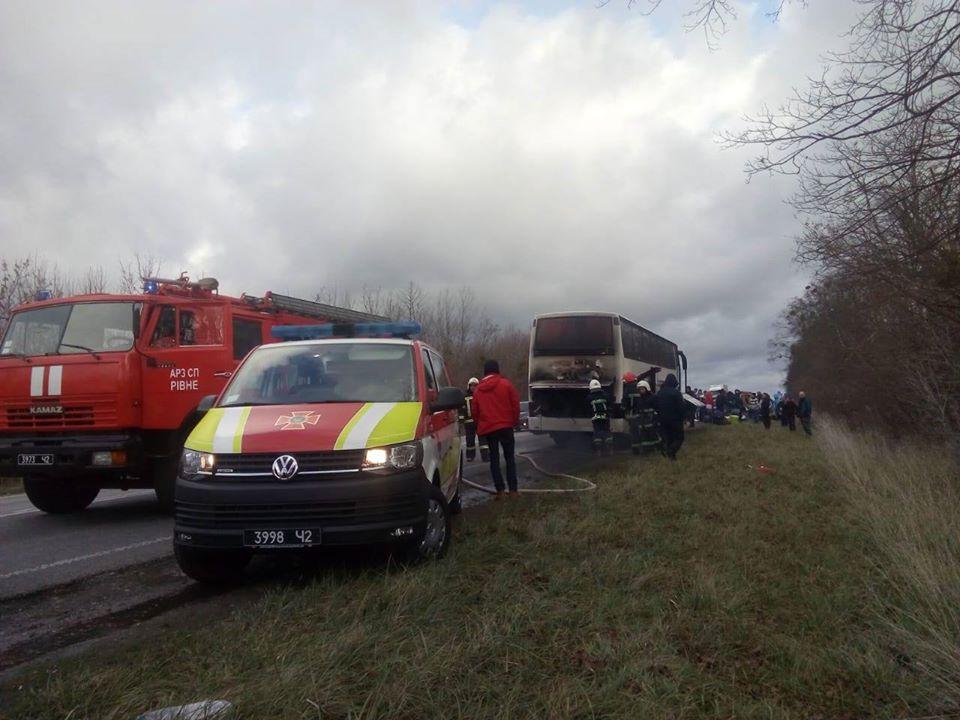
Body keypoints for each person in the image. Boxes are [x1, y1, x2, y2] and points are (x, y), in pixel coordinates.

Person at [472, 360, 521, 499]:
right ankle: (513, 490)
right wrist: (514, 421)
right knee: (509, 458)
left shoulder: (478, 391)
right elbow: (515, 405)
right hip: (506, 426)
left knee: (494, 459)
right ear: (497, 370)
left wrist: (479, 424)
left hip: (488, 428)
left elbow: (475, 411)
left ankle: (500, 491)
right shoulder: (506, 384)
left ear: (485, 372)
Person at [656, 373, 685, 460]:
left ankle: (671, 456)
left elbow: (657, 405)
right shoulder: (676, 393)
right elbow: (681, 407)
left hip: (662, 419)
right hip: (675, 420)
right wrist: (683, 417)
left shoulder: (660, 392)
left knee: (669, 437)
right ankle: (671, 451)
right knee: (679, 437)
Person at [588, 378, 613, 456]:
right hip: (605, 417)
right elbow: (610, 403)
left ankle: (598, 450)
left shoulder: (589, 397)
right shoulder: (605, 395)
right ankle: (610, 449)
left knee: (597, 433)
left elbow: (587, 407)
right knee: (607, 432)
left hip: (595, 418)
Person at [635, 380, 661, 454]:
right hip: (643, 421)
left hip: (651, 420)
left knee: (654, 436)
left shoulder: (653, 397)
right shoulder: (639, 399)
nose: (641, 391)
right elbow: (638, 410)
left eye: (642, 389)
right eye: (639, 389)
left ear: (647, 388)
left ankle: (659, 448)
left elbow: (657, 409)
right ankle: (647, 451)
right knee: (644, 437)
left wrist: (656, 420)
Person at [460, 377, 482, 461]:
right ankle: (470, 456)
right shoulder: (464, 397)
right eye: (472, 386)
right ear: (469, 386)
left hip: (479, 421)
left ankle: (485, 455)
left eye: (475, 386)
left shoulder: (480, 395)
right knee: (469, 441)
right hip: (468, 422)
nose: (473, 387)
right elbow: (461, 409)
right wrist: (461, 418)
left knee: (483, 439)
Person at [621, 372, 640, 455]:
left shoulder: (627, 389)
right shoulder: (639, 387)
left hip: (632, 415)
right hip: (641, 414)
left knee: (634, 433)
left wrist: (623, 412)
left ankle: (635, 451)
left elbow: (624, 403)